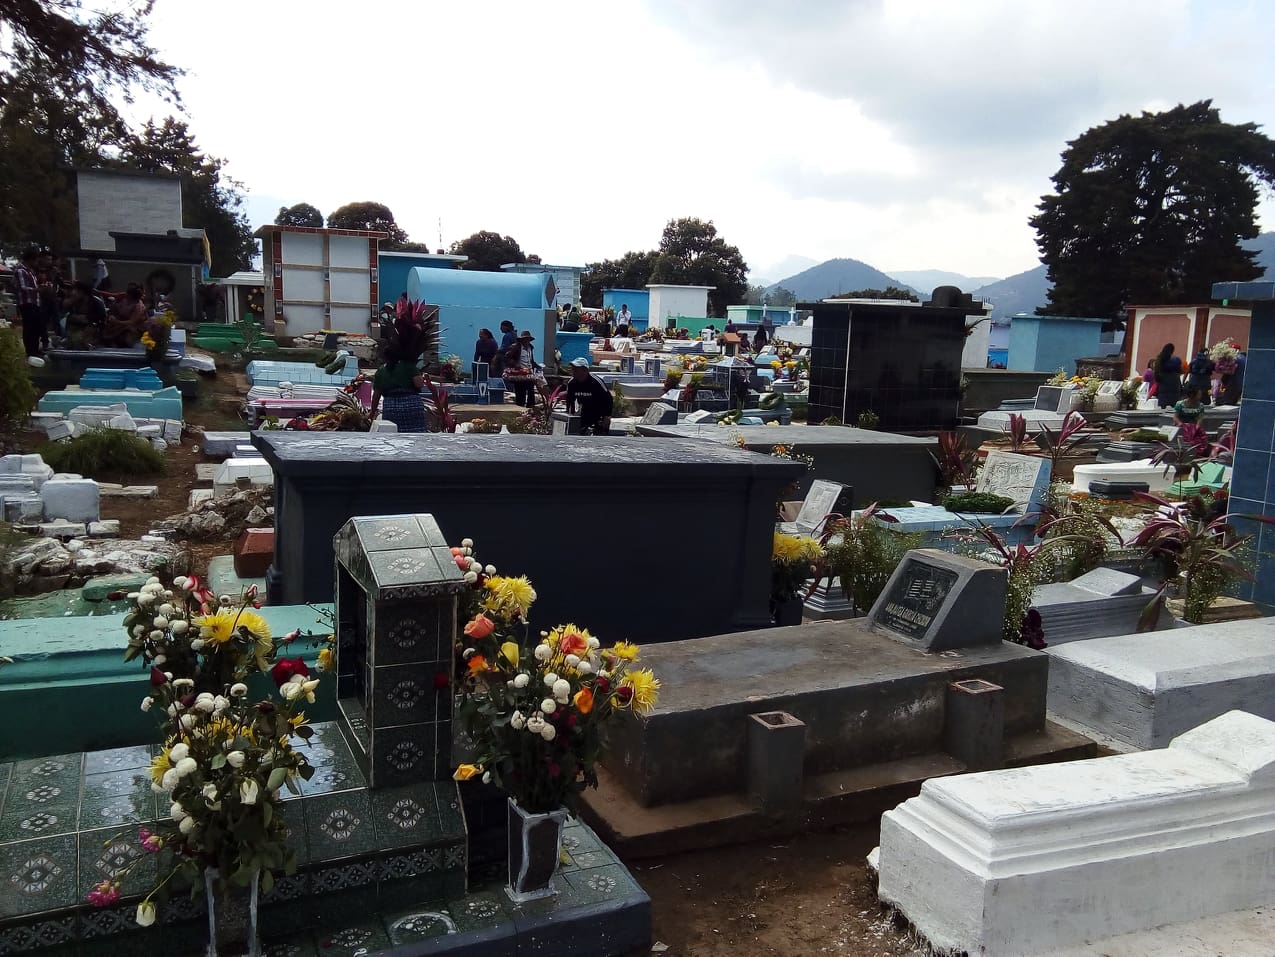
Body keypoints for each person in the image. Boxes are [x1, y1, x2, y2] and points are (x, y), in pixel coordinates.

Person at [370, 330, 427, 432]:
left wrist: (372, 413)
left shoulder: (380, 372)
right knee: (417, 438)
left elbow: (376, 396)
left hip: (391, 408)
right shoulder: (409, 366)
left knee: (394, 438)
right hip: (412, 407)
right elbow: (418, 384)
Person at [566, 357, 613, 435]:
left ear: (585, 370)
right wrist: (570, 416)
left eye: (576, 369)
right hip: (584, 413)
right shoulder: (572, 383)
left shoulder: (596, 382)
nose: (573, 371)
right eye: (573, 368)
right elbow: (570, 400)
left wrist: (607, 416)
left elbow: (608, 399)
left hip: (599, 413)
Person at [14, 247, 43, 357]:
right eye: (35, 260)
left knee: (36, 326)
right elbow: (22, 287)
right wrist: (37, 289)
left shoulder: (30, 272)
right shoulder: (21, 270)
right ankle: (30, 351)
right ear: (31, 259)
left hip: (35, 302)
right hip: (26, 303)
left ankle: (35, 349)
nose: (36, 263)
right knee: (29, 327)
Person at [65, 280, 107, 349]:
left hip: (93, 329)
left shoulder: (96, 302)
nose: (74, 293)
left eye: (77, 291)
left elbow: (102, 319)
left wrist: (87, 318)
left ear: (82, 292)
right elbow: (69, 316)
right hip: (78, 328)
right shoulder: (75, 302)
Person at [503, 330, 540, 407]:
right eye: (525, 339)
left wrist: (537, 365)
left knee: (531, 390)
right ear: (522, 340)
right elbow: (507, 358)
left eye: (528, 339)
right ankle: (520, 407)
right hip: (519, 373)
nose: (527, 341)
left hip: (528, 372)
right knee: (520, 392)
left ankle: (530, 407)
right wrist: (515, 364)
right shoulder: (515, 347)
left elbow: (531, 360)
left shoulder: (530, 348)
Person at [1152, 343, 1183, 409]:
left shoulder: (1160, 360)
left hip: (1163, 385)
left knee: (1163, 407)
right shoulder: (1176, 360)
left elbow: (1156, 373)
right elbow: (1180, 370)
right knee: (1174, 407)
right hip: (1175, 384)